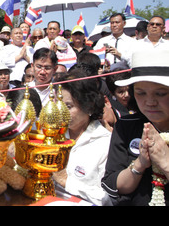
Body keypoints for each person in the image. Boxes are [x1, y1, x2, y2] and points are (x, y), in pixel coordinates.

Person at [101, 49, 169, 205]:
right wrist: (140, 164)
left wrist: (165, 162)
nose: (150, 102)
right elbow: (114, 184)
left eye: (160, 94)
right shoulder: (126, 126)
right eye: (141, 93)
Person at [53, 68, 113, 206]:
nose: (60, 111)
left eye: (68, 106)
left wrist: (67, 182)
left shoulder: (105, 143)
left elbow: (107, 199)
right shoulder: (52, 135)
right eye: (58, 103)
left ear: (89, 106)